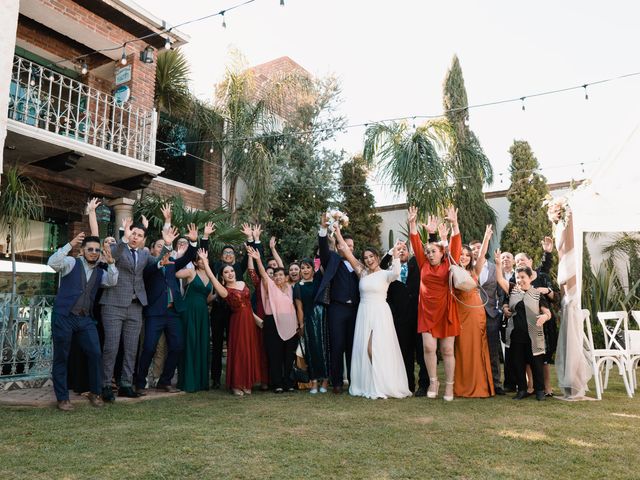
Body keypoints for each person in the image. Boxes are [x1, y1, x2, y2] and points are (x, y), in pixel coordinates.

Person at [99, 217, 179, 402]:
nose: (136, 237)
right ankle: (105, 385)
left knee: (131, 348)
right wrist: (124, 237)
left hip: (136, 306)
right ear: (129, 234)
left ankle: (126, 384)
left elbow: (157, 262)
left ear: (144, 239)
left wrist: (167, 245)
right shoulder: (117, 248)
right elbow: (115, 254)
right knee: (111, 347)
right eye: (133, 233)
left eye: (139, 235)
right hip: (113, 305)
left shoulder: (144, 254)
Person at [333, 226, 411, 399]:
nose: (368, 260)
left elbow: (397, 272)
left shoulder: (386, 274)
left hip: (380, 314)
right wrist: (338, 232)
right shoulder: (362, 272)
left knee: (374, 348)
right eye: (366, 257)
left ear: (377, 257)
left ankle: (381, 383)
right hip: (364, 313)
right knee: (364, 349)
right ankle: (367, 384)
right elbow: (346, 251)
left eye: (371, 257)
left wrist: (396, 256)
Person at [135, 220, 209, 395]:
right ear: (156, 249)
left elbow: (190, 256)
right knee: (149, 348)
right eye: (161, 246)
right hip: (155, 313)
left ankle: (165, 381)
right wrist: (166, 249)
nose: (163, 249)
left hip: (173, 312)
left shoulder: (174, 264)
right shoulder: (149, 263)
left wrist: (192, 242)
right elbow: (151, 270)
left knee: (177, 346)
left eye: (166, 246)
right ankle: (139, 382)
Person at [48, 231, 118, 410]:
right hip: (64, 316)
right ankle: (63, 398)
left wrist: (111, 264)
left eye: (96, 250)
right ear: (83, 250)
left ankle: (95, 392)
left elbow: (111, 282)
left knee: (95, 353)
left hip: (84, 319)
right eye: (90, 249)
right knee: (61, 357)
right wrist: (69, 245)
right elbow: (52, 263)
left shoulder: (100, 272)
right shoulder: (71, 263)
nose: (94, 252)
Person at [197, 249, 266, 396]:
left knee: (250, 350)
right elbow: (211, 276)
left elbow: (247, 305)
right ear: (222, 276)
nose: (230, 273)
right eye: (226, 272)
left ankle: (247, 382)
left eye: (231, 271)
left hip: (249, 320)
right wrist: (206, 262)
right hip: (238, 322)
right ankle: (237, 384)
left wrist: (257, 320)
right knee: (239, 351)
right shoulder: (224, 290)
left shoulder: (242, 282)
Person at [409, 205, 460, 401]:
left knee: (447, 350)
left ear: (442, 252)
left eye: (433, 251)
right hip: (426, 311)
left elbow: (456, 242)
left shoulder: (449, 263)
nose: (430, 254)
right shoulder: (423, 263)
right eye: (428, 251)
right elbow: (415, 242)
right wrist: (413, 224)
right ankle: (433, 381)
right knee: (429, 348)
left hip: (446, 310)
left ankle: (449, 386)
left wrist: (454, 224)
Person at [548, 201, 591, 399]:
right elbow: (559, 246)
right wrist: (557, 221)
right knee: (566, 342)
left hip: (571, 298)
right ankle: (569, 384)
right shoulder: (560, 236)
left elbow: (565, 243)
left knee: (571, 340)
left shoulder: (569, 245)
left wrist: (568, 214)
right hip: (567, 298)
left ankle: (574, 384)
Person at [314, 214, 360, 394]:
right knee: (337, 345)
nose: (349, 248)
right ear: (340, 246)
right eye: (346, 245)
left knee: (352, 345)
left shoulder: (358, 265)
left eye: (352, 247)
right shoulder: (332, 260)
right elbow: (324, 249)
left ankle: (355, 381)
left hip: (355, 310)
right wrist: (323, 229)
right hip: (337, 308)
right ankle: (337, 382)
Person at [496, 262, 553, 401]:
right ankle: (521, 390)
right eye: (517, 277)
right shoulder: (513, 291)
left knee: (537, 364)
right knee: (518, 363)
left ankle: (539, 391)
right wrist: (498, 264)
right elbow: (499, 279)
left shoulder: (537, 294)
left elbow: (548, 312)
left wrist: (544, 317)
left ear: (529, 278)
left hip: (533, 335)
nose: (520, 280)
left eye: (523, 277)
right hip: (516, 335)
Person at [380, 241, 429, 396]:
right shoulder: (389, 271)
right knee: (404, 353)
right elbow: (380, 266)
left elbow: (424, 254)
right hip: (400, 318)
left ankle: (424, 385)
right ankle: (408, 384)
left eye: (404, 249)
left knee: (422, 352)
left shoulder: (417, 264)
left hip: (419, 315)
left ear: (410, 252)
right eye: (398, 249)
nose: (401, 251)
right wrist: (391, 252)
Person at [246, 246, 298, 393]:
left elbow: (281, 264)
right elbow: (262, 273)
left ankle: (288, 382)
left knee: (288, 354)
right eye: (276, 275)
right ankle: (277, 384)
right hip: (272, 323)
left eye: (281, 275)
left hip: (290, 322)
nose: (278, 277)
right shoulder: (270, 287)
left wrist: (273, 249)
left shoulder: (290, 287)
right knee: (274, 354)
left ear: (286, 277)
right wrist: (258, 260)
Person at [209, 224, 253, 388]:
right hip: (219, 311)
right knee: (218, 345)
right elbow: (204, 258)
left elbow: (252, 255)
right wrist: (205, 237)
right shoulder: (216, 267)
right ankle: (215, 378)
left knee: (235, 345)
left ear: (234, 257)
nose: (228, 255)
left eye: (231, 253)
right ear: (221, 256)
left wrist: (249, 238)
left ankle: (236, 377)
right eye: (225, 253)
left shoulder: (238, 269)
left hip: (235, 313)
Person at [454, 227, 495, 398]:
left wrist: (486, 238)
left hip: (476, 312)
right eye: (461, 254)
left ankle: (480, 386)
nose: (464, 257)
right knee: (462, 348)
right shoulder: (452, 269)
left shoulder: (474, 270)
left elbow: (483, 254)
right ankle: (462, 386)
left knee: (478, 347)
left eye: (467, 255)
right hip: (460, 312)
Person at [175, 240, 215, 393]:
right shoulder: (191, 272)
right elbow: (175, 272)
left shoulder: (211, 277)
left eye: (205, 259)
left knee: (202, 344)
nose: (203, 262)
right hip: (189, 312)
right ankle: (188, 381)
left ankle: (201, 381)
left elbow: (208, 298)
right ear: (196, 262)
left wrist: (219, 294)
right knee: (190, 343)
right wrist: (179, 256)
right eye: (199, 259)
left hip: (203, 314)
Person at [469, 233, 503, 395]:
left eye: (478, 247)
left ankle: (496, 384)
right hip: (471, 315)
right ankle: (477, 382)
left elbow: (501, 291)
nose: (476, 250)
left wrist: (502, 308)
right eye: (473, 248)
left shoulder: (494, 267)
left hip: (490, 314)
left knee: (493, 350)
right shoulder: (467, 269)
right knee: (473, 349)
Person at [293, 258, 329, 394]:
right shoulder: (298, 286)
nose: (305, 270)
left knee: (324, 349)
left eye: (308, 267)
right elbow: (299, 308)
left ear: (313, 269)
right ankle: (313, 382)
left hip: (322, 318)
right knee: (311, 350)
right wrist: (301, 325)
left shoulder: (319, 281)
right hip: (308, 320)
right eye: (303, 268)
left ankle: (325, 380)